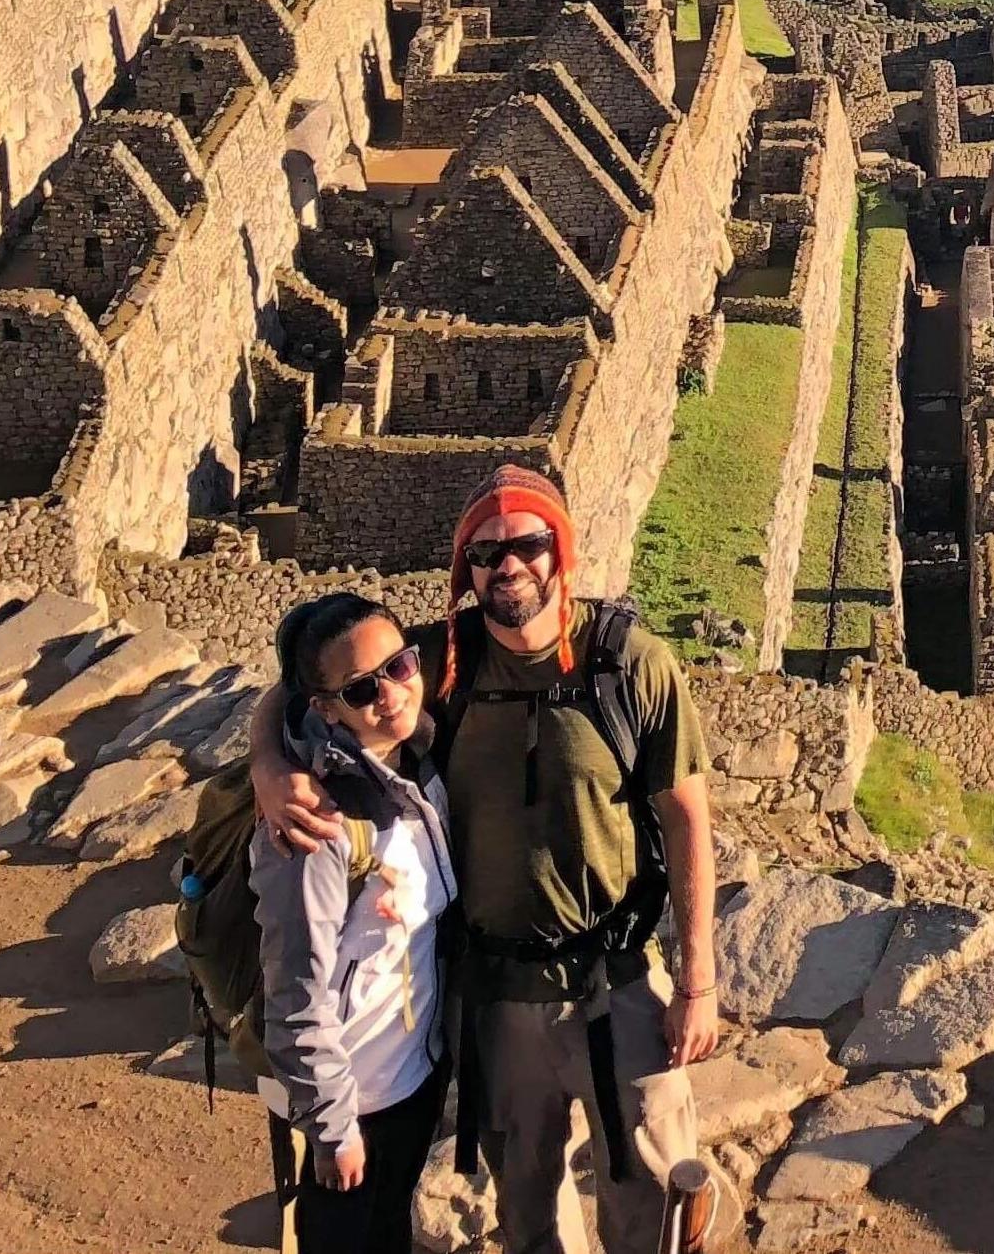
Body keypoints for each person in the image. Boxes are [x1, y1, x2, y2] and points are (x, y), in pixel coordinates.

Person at [253, 470, 717, 1254]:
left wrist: (698, 981)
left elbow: (688, 821)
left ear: (559, 551)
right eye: (487, 552)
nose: (510, 566)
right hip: (499, 999)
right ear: (465, 571)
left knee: (651, 1206)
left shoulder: (627, 664)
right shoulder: (435, 660)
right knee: (526, 1213)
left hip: (620, 988)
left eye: (529, 544)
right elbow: (304, 683)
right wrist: (270, 763)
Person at [251, 593, 457, 1254]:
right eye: (363, 688)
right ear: (325, 708)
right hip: (351, 1102)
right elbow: (293, 997)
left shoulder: (420, 763)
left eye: (399, 666)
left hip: (410, 1084)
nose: (391, 693)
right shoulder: (313, 823)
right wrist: (332, 1128)